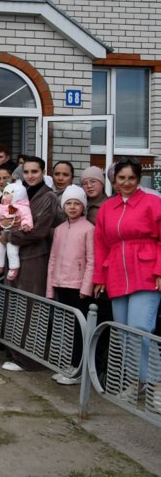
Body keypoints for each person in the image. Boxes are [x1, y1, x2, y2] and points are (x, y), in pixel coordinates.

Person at [93, 159, 161, 394]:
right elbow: (100, 243)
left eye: (131, 178)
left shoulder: (153, 203)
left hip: (146, 270)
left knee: (140, 327)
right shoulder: (107, 207)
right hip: (117, 273)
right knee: (123, 330)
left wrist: (160, 269)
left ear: (139, 179)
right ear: (115, 181)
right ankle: (137, 381)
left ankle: (157, 383)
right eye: (122, 178)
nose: (127, 183)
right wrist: (99, 277)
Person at [0, 156, 60, 372]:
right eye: (26, 172)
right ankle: (14, 353)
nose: (30, 176)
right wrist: (5, 228)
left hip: (34, 257)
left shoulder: (48, 197)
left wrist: (9, 235)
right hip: (14, 257)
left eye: (35, 171)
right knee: (15, 305)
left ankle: (29, 359)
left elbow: (39, 229)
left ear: (43, 172)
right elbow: (5, 218)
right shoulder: (19, 193)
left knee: (32, 307)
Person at [45, 184, 94, 385]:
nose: (72, 207)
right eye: (68, 203)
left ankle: (79, 367)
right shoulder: (59, 229)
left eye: (77, 203)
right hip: (61, 283)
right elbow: (53, 258)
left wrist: (86, 287)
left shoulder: (89, 229)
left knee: (80, 329)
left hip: (78, 286)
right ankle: (70, 365)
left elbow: (92, 259)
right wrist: (50, 287)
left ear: (83, 206)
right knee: (67, 327)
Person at [0, 182, 33, 279]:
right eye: (4, 193)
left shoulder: (21, 208)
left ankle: (14, 268)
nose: (4, 196)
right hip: (4, 232)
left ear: (17, 195)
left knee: (11, 250)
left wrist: (26, 225)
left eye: (7, 194)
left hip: (16, 233)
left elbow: (27, 217)